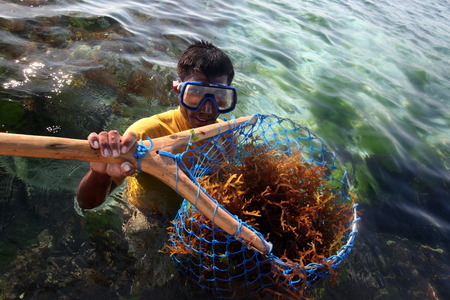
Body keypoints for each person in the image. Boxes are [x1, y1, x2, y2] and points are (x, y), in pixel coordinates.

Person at [76, 40, 236, 216]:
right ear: (178, 90)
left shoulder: (226, 134)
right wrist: (99, 173)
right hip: (147, 214)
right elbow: (86, 204)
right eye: (196, 93)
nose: (207, 108)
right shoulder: (145, 133)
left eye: (219, 96)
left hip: (198, 217)